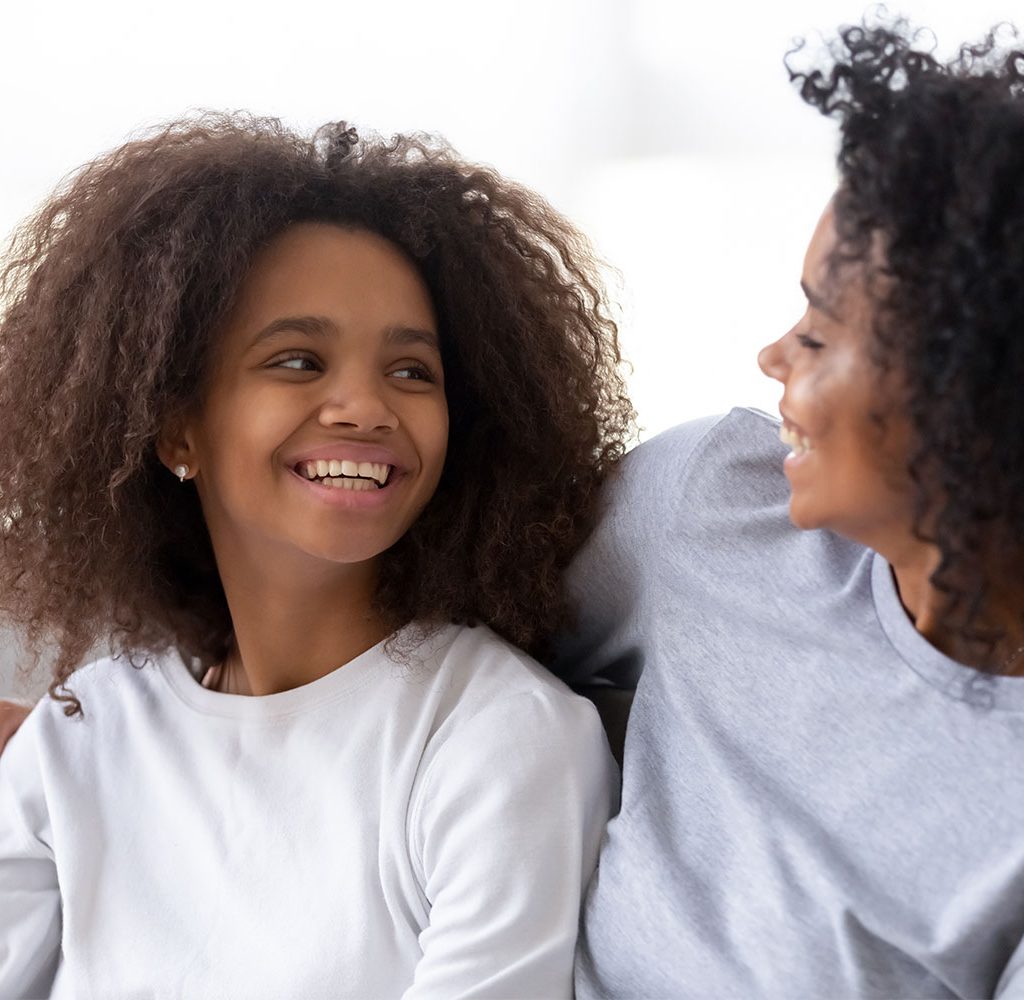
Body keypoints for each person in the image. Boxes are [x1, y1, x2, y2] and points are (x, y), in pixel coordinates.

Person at [0, 114, 632, 998]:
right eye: (297, 361)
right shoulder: (79, 737)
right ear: (177, 429)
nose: (365, 407)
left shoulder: (496, 737)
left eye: (412, 372)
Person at [552, 16, 1024, 997]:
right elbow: (422, 642)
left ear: (968, 393)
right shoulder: (711, 504)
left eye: (817, 333)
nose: (772, 355)